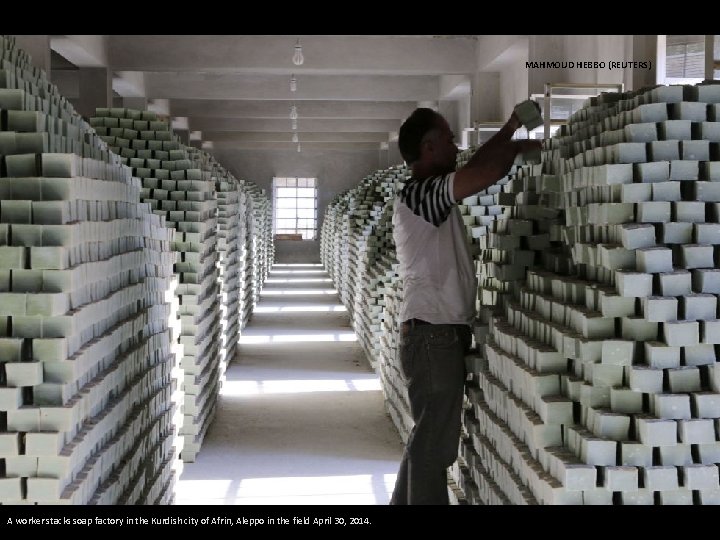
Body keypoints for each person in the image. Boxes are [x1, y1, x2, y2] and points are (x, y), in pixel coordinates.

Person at [390, 106, 541, 505]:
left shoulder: (429, 191)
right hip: (432, 334)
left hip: (433, 332)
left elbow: (473, 165)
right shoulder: (422, 195)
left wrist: (510, 127)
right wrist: (524, 146)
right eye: (450, 138)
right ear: (429, 146)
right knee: (433, 447)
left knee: (427, 438)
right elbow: (484, 174)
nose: (456, 144)